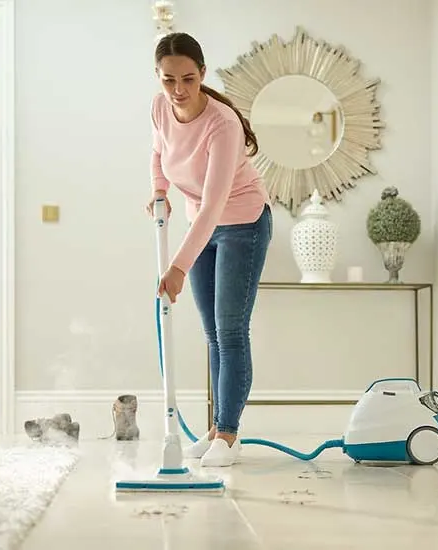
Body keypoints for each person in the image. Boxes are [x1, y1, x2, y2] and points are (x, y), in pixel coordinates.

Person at [147, 32, 272, 467]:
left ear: (202, 73)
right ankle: (217, 428)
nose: (178, 90)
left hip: (242, 222)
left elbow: (216, 203)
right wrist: (158, 191)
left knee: (232, 329)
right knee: (212, 334)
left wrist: (178, 266)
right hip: (201, 224)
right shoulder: (160, 107)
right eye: (168, 80)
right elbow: (158, 152)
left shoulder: (222, 124)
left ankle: (230, 436)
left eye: (187, 78)